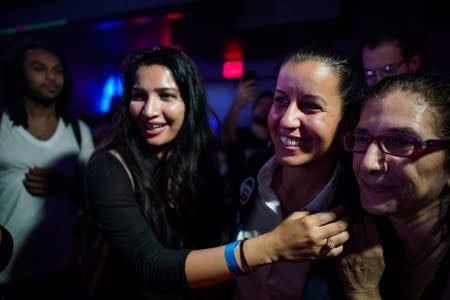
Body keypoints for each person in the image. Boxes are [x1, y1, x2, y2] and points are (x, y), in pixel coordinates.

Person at [85, 45, 351, 300]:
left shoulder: (203, 162)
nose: (149, 111)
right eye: (139, 96)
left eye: (166, 95)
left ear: (190, 102)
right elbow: (150, 266)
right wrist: (271, 246)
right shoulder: (109, 168)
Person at [232, 43, 362, 300]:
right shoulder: (255, 168)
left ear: (347, 121)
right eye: (281, 100)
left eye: (310, 106)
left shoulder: (358, 205)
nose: (286, 120)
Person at [339, 73, 450, 299]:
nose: (369, 163)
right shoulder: (365, 241)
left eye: (401, 142)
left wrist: (364, 293)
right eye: (362, 139)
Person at [0, 42, 95, 299]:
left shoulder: (78, 130)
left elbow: (94, 199)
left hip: (64, 268)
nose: (51, 77)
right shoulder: (2, 126)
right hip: (7, 272)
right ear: (20, 74)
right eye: (39, 68)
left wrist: (65, 186)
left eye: (58, 70)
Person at [221, 74, 273, 200]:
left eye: (270, 105)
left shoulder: (277, 143)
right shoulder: (240, 135)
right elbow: (227, 135)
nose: (265, 108)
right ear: (253, 109)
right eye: (261, 104)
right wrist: (237, 105)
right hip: (236, 201)